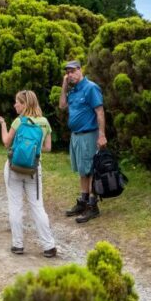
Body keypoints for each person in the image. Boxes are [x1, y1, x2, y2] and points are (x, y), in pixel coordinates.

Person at [0, 90, 57, 257]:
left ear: (25, 104)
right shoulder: (44, 123)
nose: (15, 105)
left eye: (17, 102)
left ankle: (18, 244)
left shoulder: (18, 121)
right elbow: (48, 148)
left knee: (15, 206)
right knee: (37, 206)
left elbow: (6, 143)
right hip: (34, 169)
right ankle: (49, 246)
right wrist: (32, 150)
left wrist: (3, 125)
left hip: (14, 168)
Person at [59, 60, 107, 223]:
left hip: (89, 135)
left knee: (91, 170)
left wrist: (101, 135)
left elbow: (99, 112)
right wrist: (64, 86)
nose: (70, 75)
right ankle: (83, 201)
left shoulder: (90, 88)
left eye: (72, 71)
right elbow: (62, 105)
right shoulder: (73, 91)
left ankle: (93, 206)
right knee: (82, 170)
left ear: (81, 70)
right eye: (67, 72)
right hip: (76, 136)